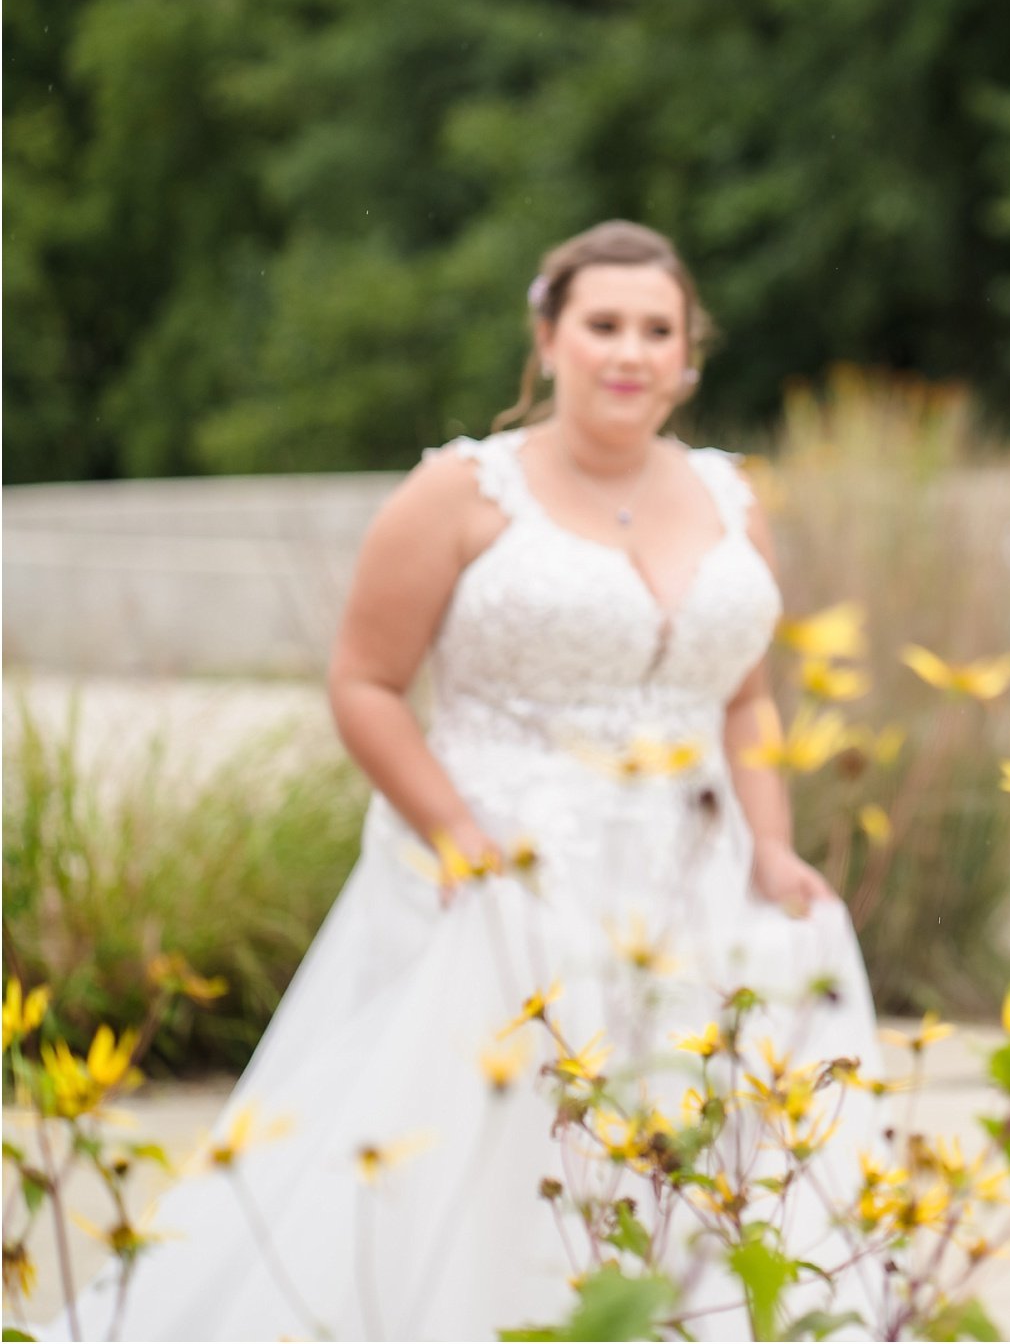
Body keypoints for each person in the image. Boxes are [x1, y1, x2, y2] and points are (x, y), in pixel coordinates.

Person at [54, 222, 884, 1340]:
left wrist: (772, 846)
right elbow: (365, 683)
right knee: (491, 1151)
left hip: (692, 875)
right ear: (547, 339)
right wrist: (455, 833)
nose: (628, 352)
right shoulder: (461, 491)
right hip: (500, 868)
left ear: (689, 357)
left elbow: (744, 699)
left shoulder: (734, 500)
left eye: (656, 330)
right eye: (602, 326)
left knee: (702, 1136)